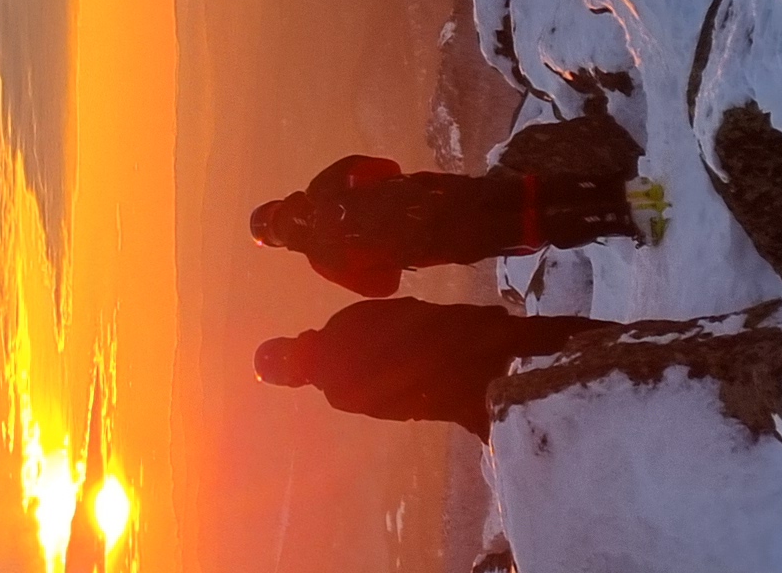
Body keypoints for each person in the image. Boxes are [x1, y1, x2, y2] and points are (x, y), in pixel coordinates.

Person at [252, 150, 640, 298]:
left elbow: (383, 286)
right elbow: (386, 168)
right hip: (438, 195)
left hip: (440, 243)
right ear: (278, 204)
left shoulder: (323, 258)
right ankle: (611, 185)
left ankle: (618, 219)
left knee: (530, 231)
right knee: (525, 193)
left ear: (276, 242)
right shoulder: (322, 186)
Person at [254, 299, 619, 434]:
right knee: (548, 334)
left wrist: (470, 415)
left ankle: (616, 401)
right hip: (464, 335)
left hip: (465, 386)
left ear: (292, 381)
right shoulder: (343, 321)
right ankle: (629, 341)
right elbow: (413, 310)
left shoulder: (339, 394)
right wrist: (470, 320)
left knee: (548, 413)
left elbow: (415, 408)